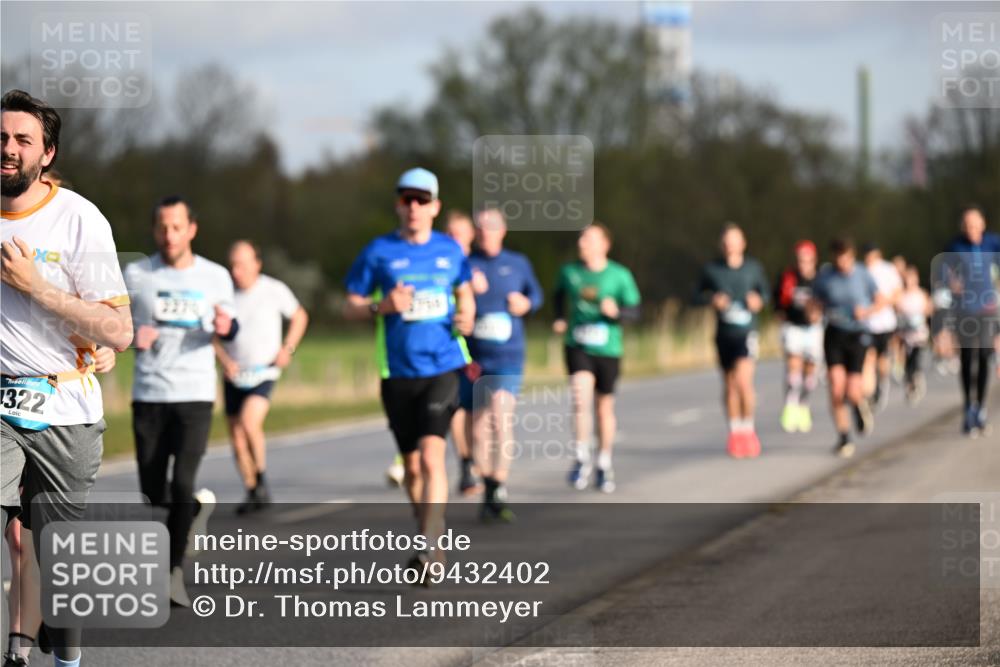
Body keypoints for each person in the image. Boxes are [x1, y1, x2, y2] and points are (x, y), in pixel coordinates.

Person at [2, 89, 133, 667]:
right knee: (16, 539)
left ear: (46, 153)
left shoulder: (79, 218)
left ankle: (62, 655)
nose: (8, 148)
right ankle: (18, 646)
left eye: (22, 139)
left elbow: (119, 330)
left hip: (65, 407)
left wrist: (37, 287)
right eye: (0, 138)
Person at [343, 168, 474, 570]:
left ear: (435, 207)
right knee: (413, 468)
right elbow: (349, 305)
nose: (414, 207)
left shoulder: (450, 250)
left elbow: (465, 291)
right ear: (398, 206)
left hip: (443, 366)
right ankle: (429, 532)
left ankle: (428, 546)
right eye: (406, 199)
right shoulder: (378, 251)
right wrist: (382, 306)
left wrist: (467, 315)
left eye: (422, 200)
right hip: (397, 373)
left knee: (433, 457)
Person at [123, 195, 238, 606]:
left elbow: (231, 326)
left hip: (195, 393)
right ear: (154, 230)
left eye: (177, 227)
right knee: (155, 492)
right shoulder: (136, 273)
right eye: (162, 228)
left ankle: (172, 573)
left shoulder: (215, 276)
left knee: (184, 480)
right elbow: (114, 324)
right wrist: (132, 337)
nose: (169, 236)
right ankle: (193, 510)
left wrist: (227, 326)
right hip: (150, 393)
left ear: (192, 229)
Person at [384, 210, 481, 495]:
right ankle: (416, 462)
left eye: (459, 234)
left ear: (470, 237)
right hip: (440, 356)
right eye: (449, 234)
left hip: (475, 353)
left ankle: (468, 464)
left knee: (465, 415)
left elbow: (472, 301)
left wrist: (469, 312)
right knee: (446, 417)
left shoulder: (471, 268)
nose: (453, 239)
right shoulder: (434, 263)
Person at [213, 240, 308, 514]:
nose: (236, 271)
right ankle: (252, 489)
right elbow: (211, 333)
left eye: (242, 265)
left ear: (257, 264)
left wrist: (288, 348)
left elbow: (300, 316)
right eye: (232, 265)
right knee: (236, 436)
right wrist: (225, 361)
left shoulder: (273, 290)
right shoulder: (224, 294)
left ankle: (262, 478)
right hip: (234, 374)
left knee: (249, 422)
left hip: (264, 371)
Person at [464, 209, 542, 520]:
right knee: (478, 427)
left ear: (503, 230)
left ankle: (499, 483)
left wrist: (526, 304)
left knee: (500, 415)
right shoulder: (466, 264)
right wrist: (466, 289)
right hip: (475, 357)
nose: (486, 232)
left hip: (508, 355)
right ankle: (488, 486)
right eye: (481, 227)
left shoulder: (518, 262)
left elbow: (536, 295)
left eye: (492, 226)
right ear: (475, 232)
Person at [553, 223, 640, 492]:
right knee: (580, 398)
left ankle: (603, 462)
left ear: (604, 245)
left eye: (589, 239)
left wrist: (617, 313)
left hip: (609, 349)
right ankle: (581, 457)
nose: (582, 244)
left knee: (604, 408)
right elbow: (557, 295)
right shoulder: (569, 272)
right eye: (581, 239)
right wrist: (560, 317)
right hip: (578, 344)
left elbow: (635, 311)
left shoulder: (619, 275)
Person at [696, 224, 770, 458]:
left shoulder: (753, 268)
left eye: (734, 241)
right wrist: (712, 300)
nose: (730, 245)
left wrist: (758, 300)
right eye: (726, 241)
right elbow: (696, 295)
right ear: (721, 244)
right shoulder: (712, 269)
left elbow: (766, 294)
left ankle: (748, 429)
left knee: (743, 381)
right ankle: (735, 432)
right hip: (723, 334)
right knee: (729, 385)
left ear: (743, 243)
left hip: (746, 333)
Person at [813, 238, 884, 458]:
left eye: (846, 258)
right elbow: (814, 302)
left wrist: (866, 311)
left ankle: (858, 406)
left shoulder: (862, 274)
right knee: (836, 388)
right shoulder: (825, 277)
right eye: (838, 258)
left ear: (852, 256)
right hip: (834, 334)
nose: (842, 263)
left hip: (857, 334)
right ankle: (843, 437)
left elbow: (881, 300)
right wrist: (813, 311)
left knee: (853, 390)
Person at [941, 205, 1000, 436]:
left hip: (987, 307)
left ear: (982, 224)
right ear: (962, 227)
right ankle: (968, 406)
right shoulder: (955, 246)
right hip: (964, 308)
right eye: (967, 225)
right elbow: (943, 270)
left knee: (984, 355)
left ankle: (981, 408)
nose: (971, 229)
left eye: (975, 224)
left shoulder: (992, 242)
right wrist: (951, 282)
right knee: (967, 357)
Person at [774, 240, 823, 433]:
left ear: (813, 259)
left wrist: (818, 313)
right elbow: (777, 302)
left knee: (810, 375)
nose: (803, 263)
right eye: (800, 259)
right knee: (793, 368)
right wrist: (782, 317)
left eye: (806, 259)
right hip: (793, 327)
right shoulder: (788, 277)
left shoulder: (820, 279)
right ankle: (790, 405)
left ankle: (804, 405)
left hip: (814, 329)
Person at [861, 243, 903, 411]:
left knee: (882, 359)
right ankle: (869, 393)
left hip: (884, 323)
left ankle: (882, 384)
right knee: (869, 358)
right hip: (866, 324)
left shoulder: (887, 269)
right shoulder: (862, 270)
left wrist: (883, 303)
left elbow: (898, 293)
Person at [896, 265, 933, 405]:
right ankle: (910, 383)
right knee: (908, 361)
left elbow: (929, 310)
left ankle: (916, 379)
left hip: (919, 333)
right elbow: (897, 311)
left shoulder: (921, 294)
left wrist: (923, 313)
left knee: (916, 358)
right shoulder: (901, 295)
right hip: (906, 334)